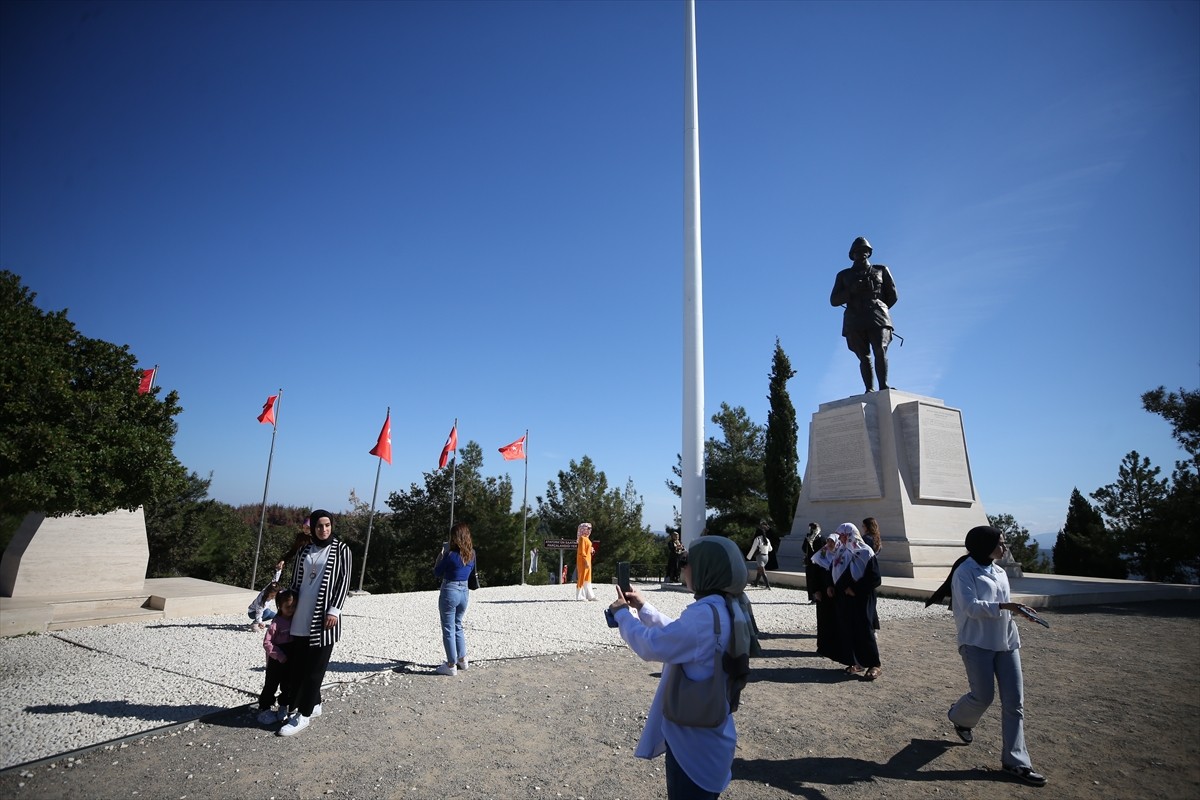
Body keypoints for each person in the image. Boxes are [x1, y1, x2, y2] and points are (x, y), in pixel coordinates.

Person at [607, 536, 759, 799]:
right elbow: (686, 640)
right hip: (713, 732)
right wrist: (644, 608)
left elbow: (652, 645)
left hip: (692, 743)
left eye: (686, 561)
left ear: (707, 567)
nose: (682, 568)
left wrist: (622, 615)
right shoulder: (728, 605)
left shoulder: (704, 615)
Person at [937, 525, 1048, 787]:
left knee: (1015, 703)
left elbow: (1002, 605)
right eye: (1000, 542)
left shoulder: (999, 571)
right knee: (983, 696)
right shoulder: (964, 572)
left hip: (1007, 642)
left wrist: (1017, 611)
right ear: (984, 545)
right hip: (976, 642)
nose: (1004, 547)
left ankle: (1016, 762)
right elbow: (971, 607)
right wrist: (1005, 606)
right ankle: (959, 717)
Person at [278, 509, 351, 737]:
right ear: (313, 528)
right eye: (319, 526)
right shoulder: (305, 550)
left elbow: (344, 582)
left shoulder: (341, 550)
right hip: (301, 615)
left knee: (315, 669)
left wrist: (334, 610)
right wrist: (286, 608)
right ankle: (314, 702)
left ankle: (304, 714)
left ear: (332, 525)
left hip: (324, 619)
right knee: (300, 664)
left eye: (327, 525)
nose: (324, 530)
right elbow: (295, 581)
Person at [830, 236, 899, 393]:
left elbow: (893, 295)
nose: (861, 253)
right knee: (864, 355)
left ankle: (884, 386)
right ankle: (869, 389)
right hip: (855, 317)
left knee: (880, 350)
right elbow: (834, 300)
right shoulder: (844, 275)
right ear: (852, 254)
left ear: (869, 253)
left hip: (878, 315)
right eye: (857, 251)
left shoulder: (881, 270)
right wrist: (851, 290)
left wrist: (878, 306)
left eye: (864, 251)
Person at [830, 522, 882, 679]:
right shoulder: (842, 552)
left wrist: (855, 589)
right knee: (849, 630)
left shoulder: (866, 552)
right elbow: (834, 570)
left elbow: (875, 578)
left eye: (843, 535)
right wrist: (830, 585)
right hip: (845, 598)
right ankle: (857, 662)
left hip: (862, 598)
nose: (840, 539)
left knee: (864, 630)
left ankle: (874, 664)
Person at [434, 521, 477, 676]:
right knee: (458, 625)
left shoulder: (450, 555)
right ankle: (462, 659)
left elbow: (437, 572)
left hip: (450, 590)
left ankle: (451, 665)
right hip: (464, 591)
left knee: (448, 628)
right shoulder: (472, 554)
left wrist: (441, 555)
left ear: (455, 538)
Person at [256, 589, 297, 724]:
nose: (291, 610)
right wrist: (278, 655)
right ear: (280, 606)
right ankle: (264, 708)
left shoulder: (295, 620)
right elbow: (267, 642)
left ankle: (283, 706)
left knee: (288, 684)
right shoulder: (276, 622)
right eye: (288, 607)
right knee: (271, 685)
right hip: (276, 659)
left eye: (293, 606)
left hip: (290, 657)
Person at [809, 533, 847, 664]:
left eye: (832, 542)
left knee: (836, 620)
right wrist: (816, 591)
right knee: (824, 620)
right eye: (829, 541)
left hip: (836, 593)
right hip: (823, 594)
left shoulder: (841, 555)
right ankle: (823, 647)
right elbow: (814, 576)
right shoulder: (821, 555)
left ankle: (835, 647)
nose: (830, 544)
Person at [247, 567, 281, 632]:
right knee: (267, 612)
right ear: (268, 592)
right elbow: (259, 612)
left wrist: (278, 571)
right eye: (272, 596)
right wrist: (260, 622)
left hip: (262, 610)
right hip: (252, 612)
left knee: (275, 616)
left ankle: (277, 623)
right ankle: (255, 623)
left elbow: (274, 580)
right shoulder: (262, 600)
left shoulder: (269, 588)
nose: (273, 597)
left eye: (274, 596)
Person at [746, 522, 773, 590]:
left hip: (760, 557)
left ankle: (767, 586)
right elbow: (770, 549)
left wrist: (748, 557)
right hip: (766, 557)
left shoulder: (757, 539)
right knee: (759, 570)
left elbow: (753, 548)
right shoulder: (767, 540)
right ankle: (755, 583)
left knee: (762, 571)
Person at [576, 522, 597, 601]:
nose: (590, 530)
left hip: (587, 560)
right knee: (582, 577)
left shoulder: (587, 539)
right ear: (583, 529)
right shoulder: (582, 538)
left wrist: (591, 549)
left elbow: (587, 548)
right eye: (588, 528)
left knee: (587, 578)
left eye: (590, 529)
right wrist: (585, 561)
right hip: (583, 561)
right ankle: (580, 596)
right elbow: (582, 551)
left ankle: (589, 595)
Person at [802, 523, 822, 603]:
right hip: (819, 562)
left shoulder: (808, 538)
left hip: (810, 561)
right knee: (818, 579)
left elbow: (803, 548)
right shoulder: (821, 538)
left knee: (810, 579)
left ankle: (812, 597)